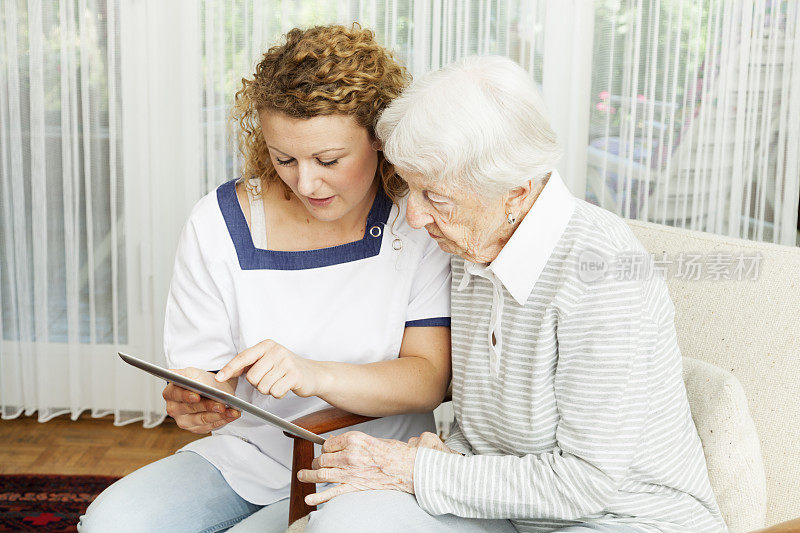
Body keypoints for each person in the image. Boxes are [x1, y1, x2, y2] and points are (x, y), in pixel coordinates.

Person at [298, 56, 728, 532]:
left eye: (434, 197)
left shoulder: (601, 273)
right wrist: (446, 453)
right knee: (343, 522)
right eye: (409, 188)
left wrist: (416, 470)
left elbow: (586, 482)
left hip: (623, 519)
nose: (414, 217)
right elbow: (483, 425)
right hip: (505, 508)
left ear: (517, 192)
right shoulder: (470, 243)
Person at [78, 24, 452, 533]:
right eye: (284, 159)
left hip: (372, 461)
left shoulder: (418, 221)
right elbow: (205, 371)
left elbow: (428, 379)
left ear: (382, 139)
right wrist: (196, 395)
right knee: (112, 525)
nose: (305, 182)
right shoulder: (218, 222)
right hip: (250, 457)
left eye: (328, 160)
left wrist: (314, 374)